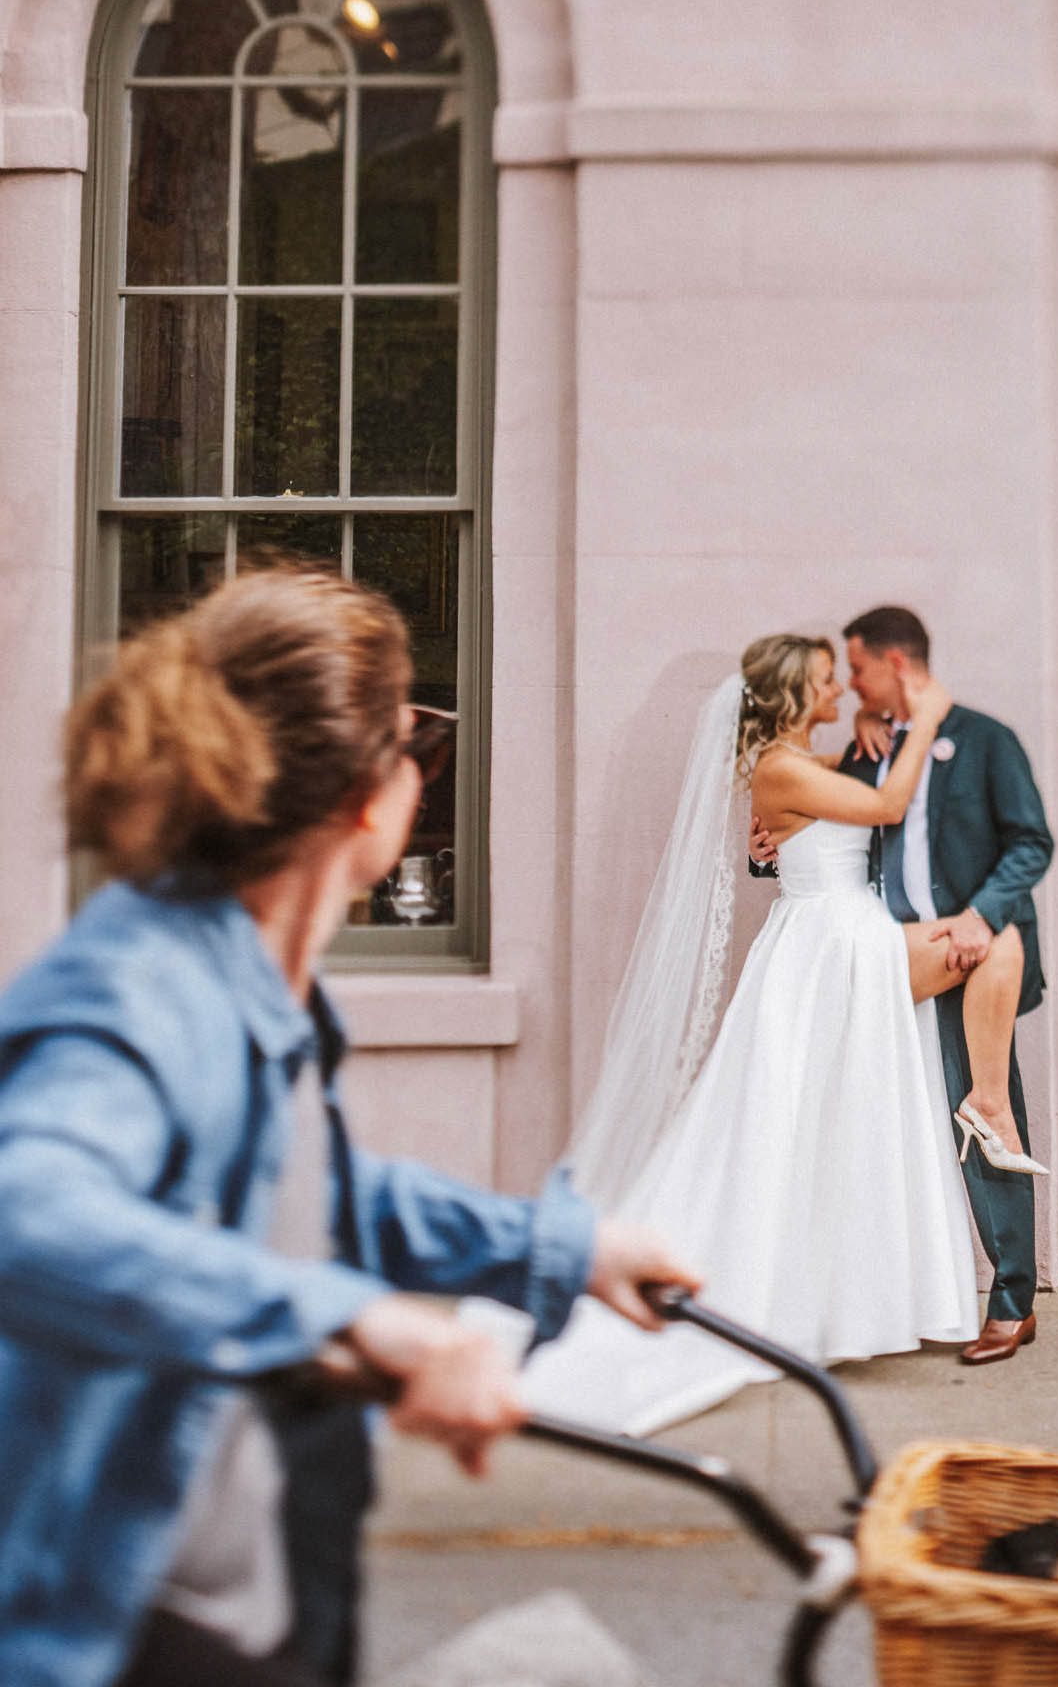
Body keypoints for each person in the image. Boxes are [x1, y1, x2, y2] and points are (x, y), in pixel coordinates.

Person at [0, 566, 696, 1687]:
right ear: (369, 797)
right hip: (133, 1610)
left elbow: (311, 1195)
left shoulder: (262, 978)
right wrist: (375, 1323)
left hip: (275, 1535)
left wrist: (559, 1246)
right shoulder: (135, 989)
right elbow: (28, 1219)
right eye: (415, 739)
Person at [521, 633, 981, 1435]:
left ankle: (848, 1296)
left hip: (841, 939)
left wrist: (864, 746)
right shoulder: (777, 765)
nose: (841, 687)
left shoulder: (805, 761)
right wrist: (922, 720)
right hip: (826, 947)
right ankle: (981, 1123)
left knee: (839, 1119)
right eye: (826, 680)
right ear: (797, 694)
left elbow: (821, 826)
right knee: (800, 1121)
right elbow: (882, 810)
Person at [816, 606, 1053, 1367]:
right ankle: (897, 1296)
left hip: (965, 962)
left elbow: (1030, 843)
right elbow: (822, 839)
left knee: (985, 1119)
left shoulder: (986, 740)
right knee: (889, 1133)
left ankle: (1014, 1303)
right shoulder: (870, 749)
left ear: (895, 662)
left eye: (858, 669)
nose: (853, 685)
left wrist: (983, 917)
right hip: (889, 962)